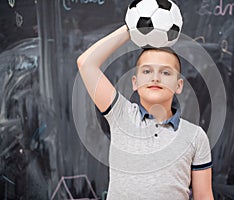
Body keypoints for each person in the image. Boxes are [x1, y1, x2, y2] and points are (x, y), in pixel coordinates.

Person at [77, 25, 214, 200]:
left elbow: (204, 196)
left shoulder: (195, 136)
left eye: (165, 72)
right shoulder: (120, 114)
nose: (155, 78)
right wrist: (130, 29)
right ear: (135, 82)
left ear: (178, 85)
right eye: (147, 71)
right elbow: (86, 63)